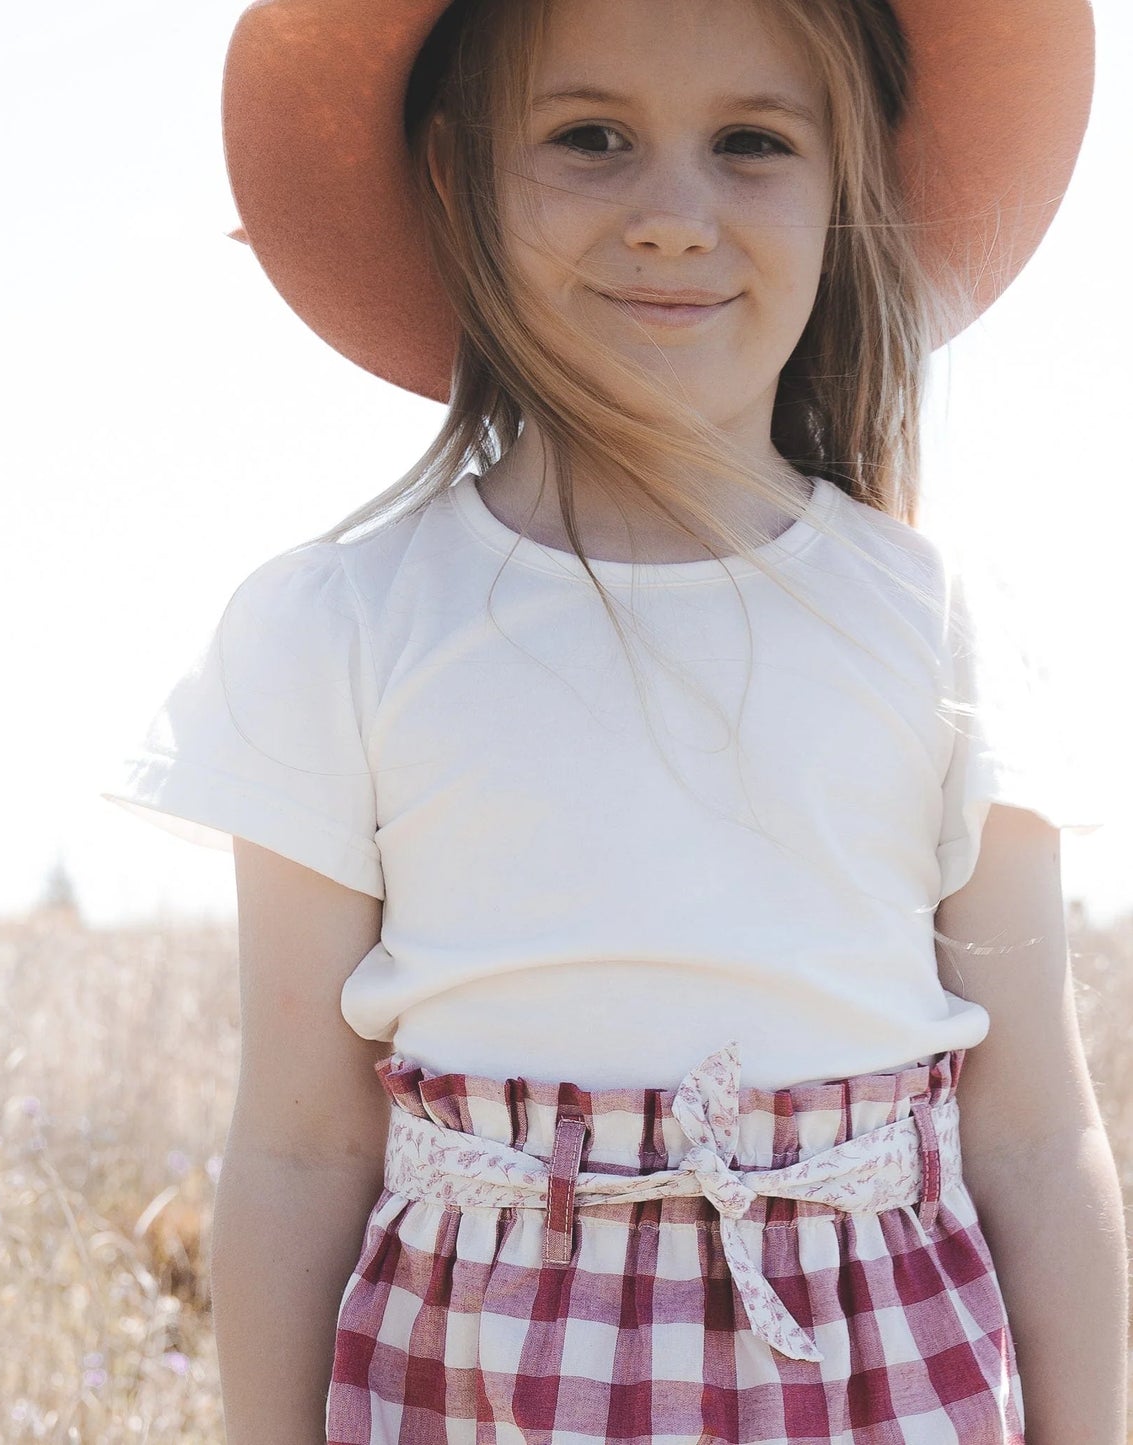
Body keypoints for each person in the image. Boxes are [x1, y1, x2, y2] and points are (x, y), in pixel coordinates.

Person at [101, 0, 1128, 1440]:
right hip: (478, 1386)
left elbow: (1031, 1128)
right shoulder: (342, 623)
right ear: (456, 176)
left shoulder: (936, 618)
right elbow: (296, 1142)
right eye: (589, 137)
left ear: (850, 195)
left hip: (874, 1384)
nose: (671, 214)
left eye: (752, 143)